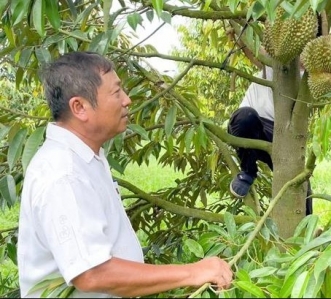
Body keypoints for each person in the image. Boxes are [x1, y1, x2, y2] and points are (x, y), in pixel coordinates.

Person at [17, 52, 233, 298]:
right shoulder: (64, 175)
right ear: (79, 107)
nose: (127, 100)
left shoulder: (86, 157)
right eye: (116, 92)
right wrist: (193, 273)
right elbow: (92, 273)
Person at [227, 66, 313, 216]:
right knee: (245, 117)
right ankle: (248, 171)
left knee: (300, 183)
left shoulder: (309, 79)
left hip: (282, 134)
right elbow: (255, 49)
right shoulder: (271, 64)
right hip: (250, 125)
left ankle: (307, 226)